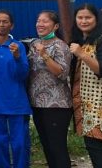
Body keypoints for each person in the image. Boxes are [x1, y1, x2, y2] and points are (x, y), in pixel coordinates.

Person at [70, 3, 102, 168]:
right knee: (93, 145)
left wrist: (81, 54)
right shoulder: (82, 40)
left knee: (95, 145)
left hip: (100, 103)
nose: (83, 21)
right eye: (80, 17)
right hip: (85, 102)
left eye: (88, 17)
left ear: (96, 19)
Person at [0, 10, 30, 168]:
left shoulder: (18, 46)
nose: (1, 25)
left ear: (12, 25)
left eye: (5, 21)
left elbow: (23, 74)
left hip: (17, 103)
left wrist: (17, 57)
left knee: (20, 143)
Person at [27, 11, 72, 168]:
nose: (40, 24)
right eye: (38, 21)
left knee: (57, 147)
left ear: (56, 26)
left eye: (45, 21)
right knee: (47, 147)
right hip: (37, 103)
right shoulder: (34, 44)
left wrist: (45, 55)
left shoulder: (60, 46)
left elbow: (62, 73)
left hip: (56, 104)